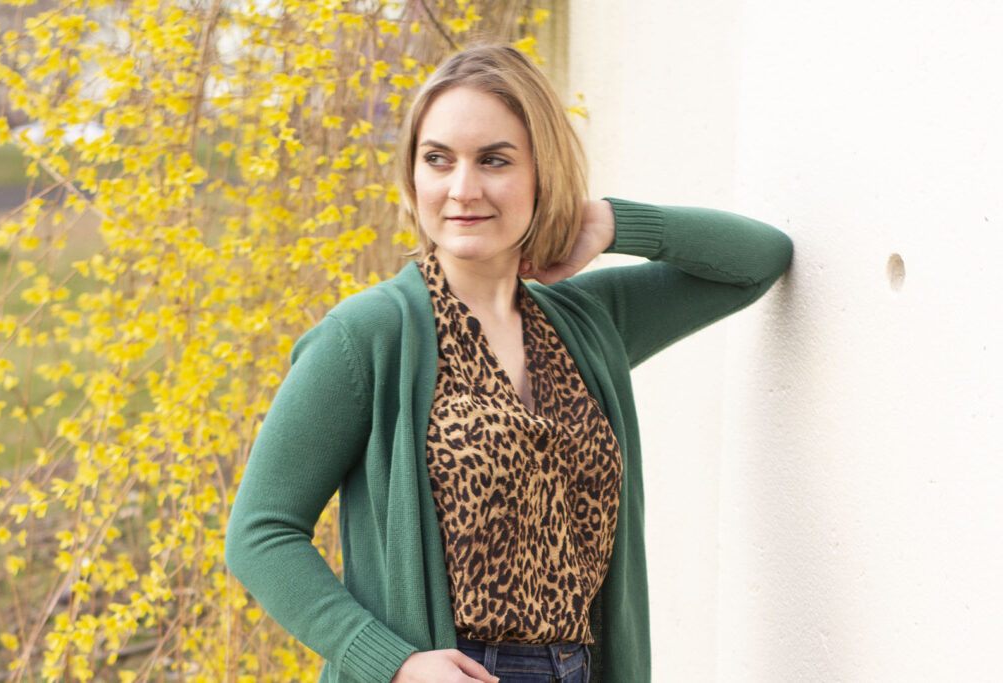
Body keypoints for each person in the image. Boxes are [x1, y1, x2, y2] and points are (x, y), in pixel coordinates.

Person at [225, 45, 793, 683]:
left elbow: (759, 259)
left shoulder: (584, 323)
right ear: (413, 176)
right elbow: (261, 531)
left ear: (541, 172)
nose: (462, 189)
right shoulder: (368, 337)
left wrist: (608, 221)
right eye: (437, 159)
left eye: (494, 160)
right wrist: (393, 663)